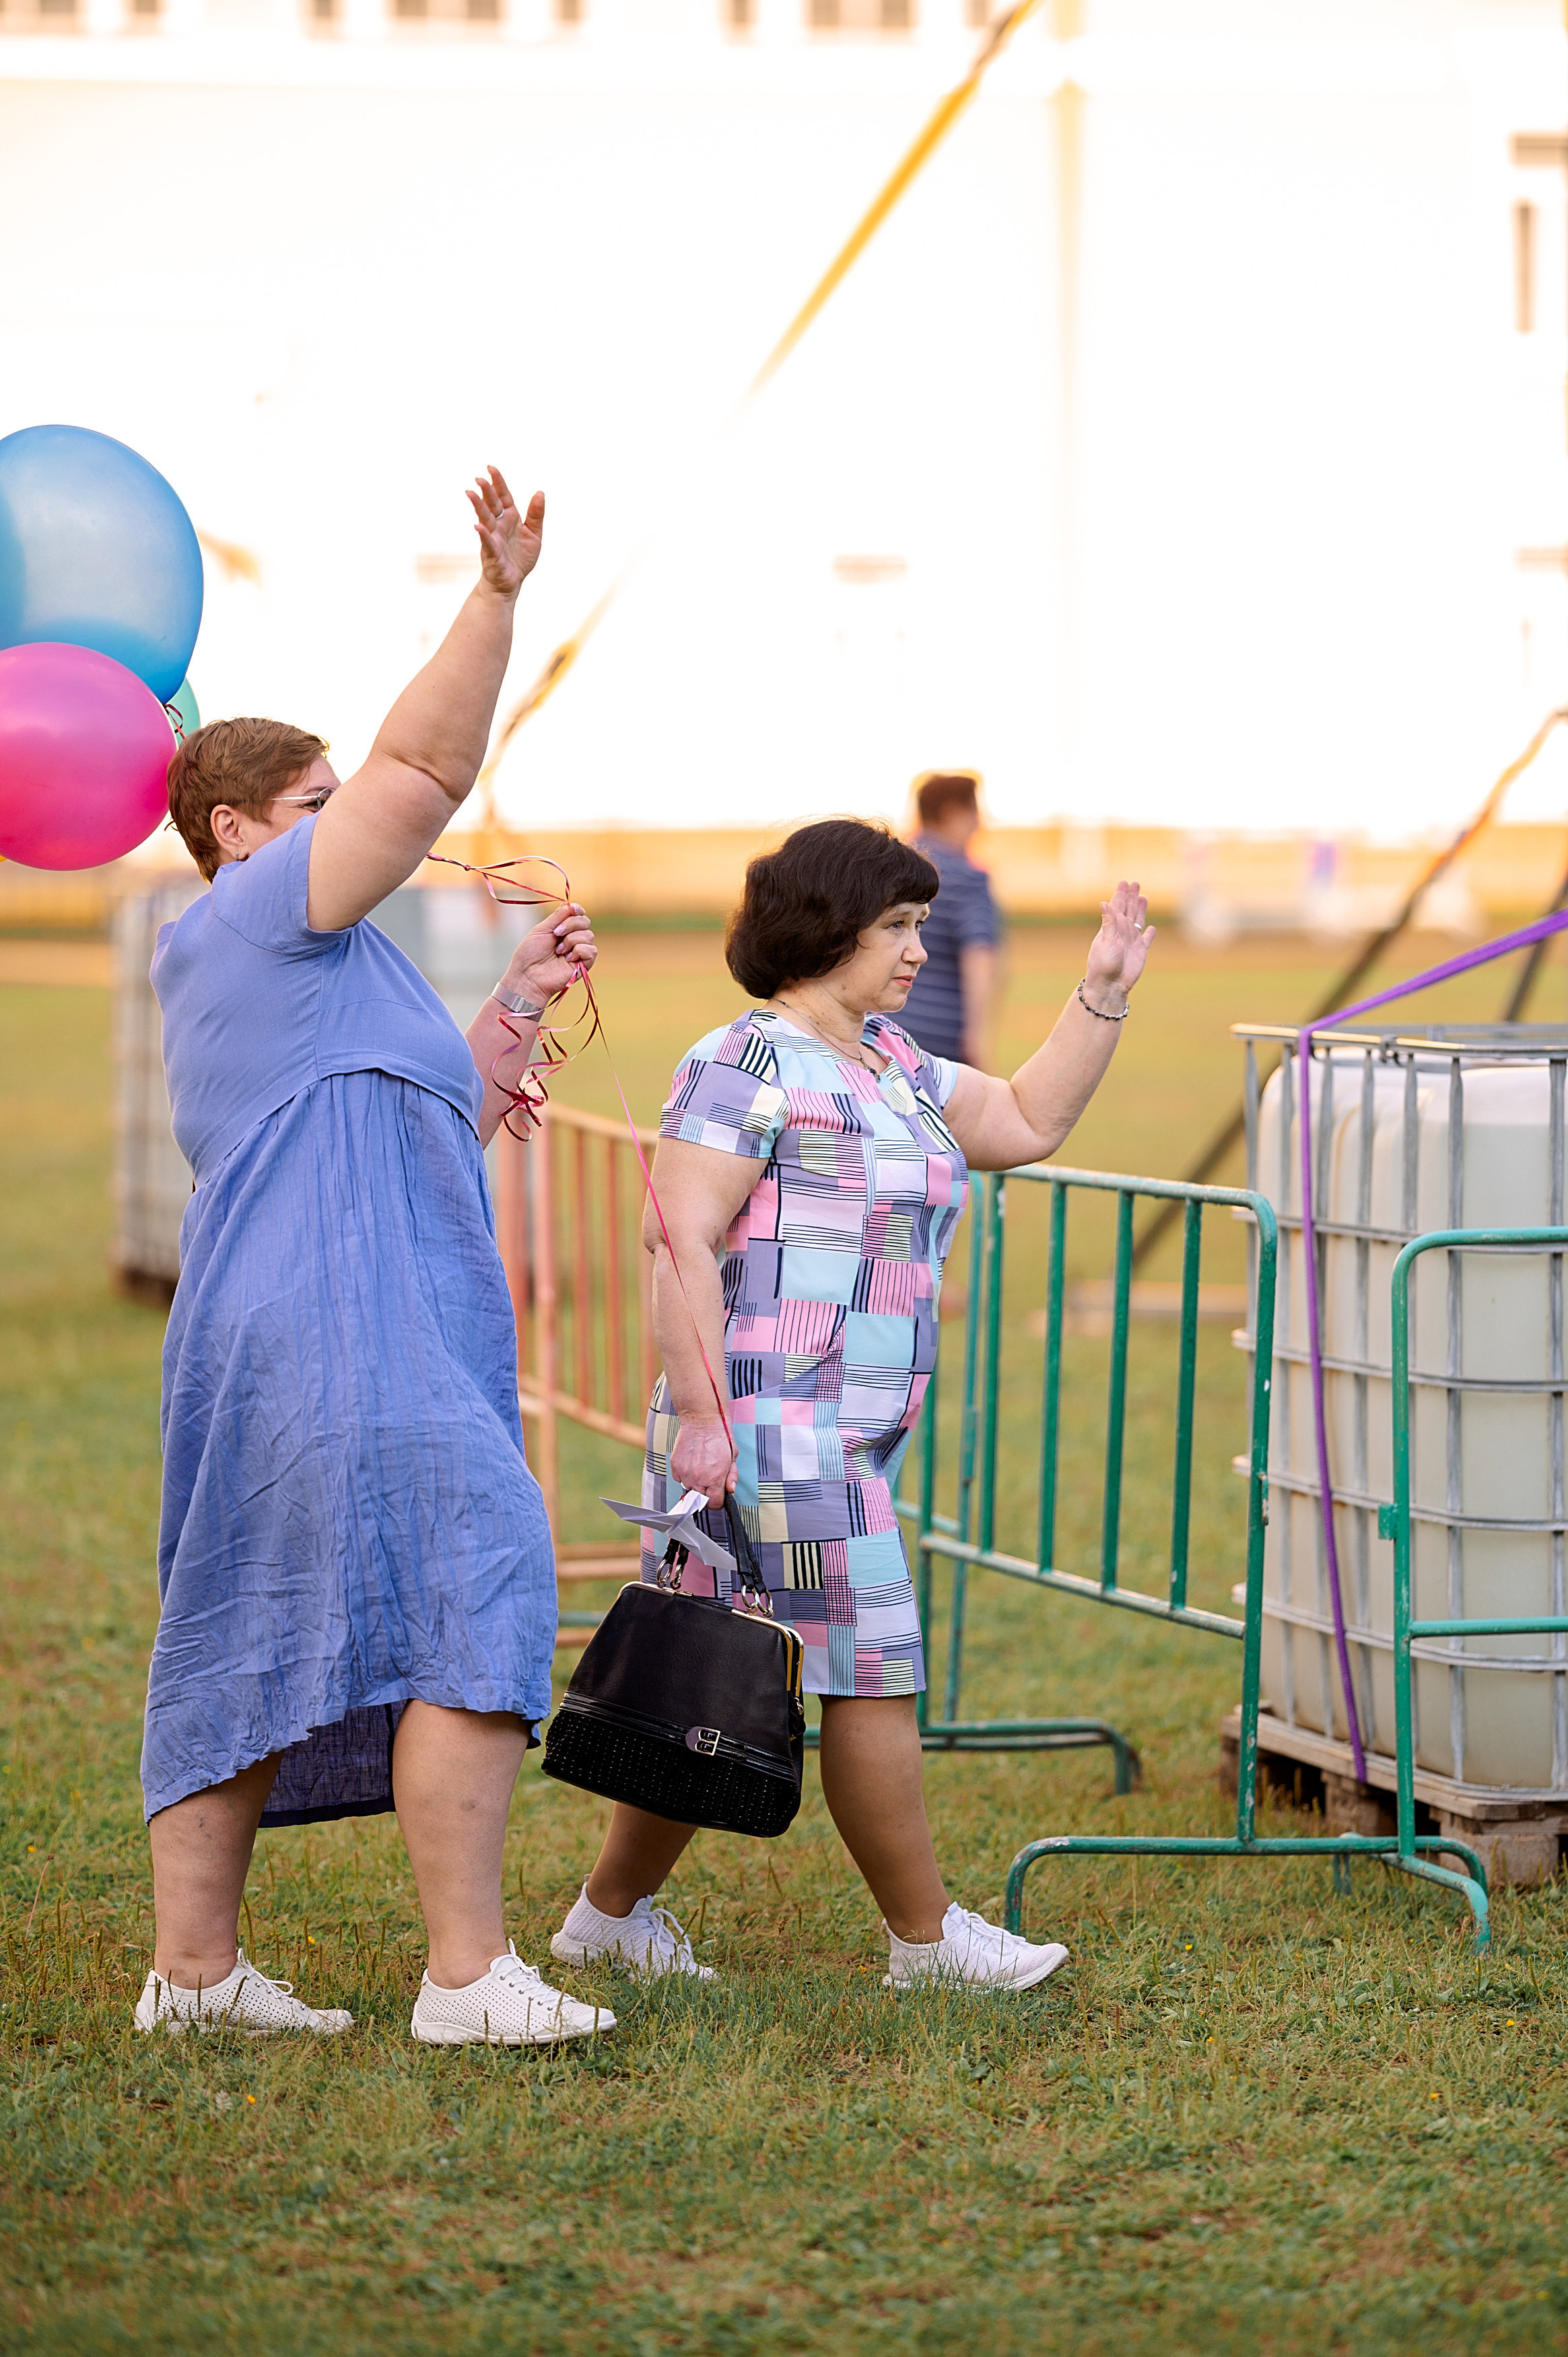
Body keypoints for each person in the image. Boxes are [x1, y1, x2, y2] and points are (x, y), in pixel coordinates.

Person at [139, 467, 612, 2047]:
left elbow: (414, 1122)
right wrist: (494, 596)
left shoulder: (314, 961)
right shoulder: (254, 920)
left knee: (249, 1611)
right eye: (313, 804)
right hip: (338, 1318)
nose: (347, 821)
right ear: (235, 834)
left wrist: (516, 1011)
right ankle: (468, 1978)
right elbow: (421, 770)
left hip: (314, 1311)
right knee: (478, 1566)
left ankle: (193, 1982)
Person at [549, 819, 1153, 1989]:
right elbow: (676, 1233)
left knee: (713, 1674)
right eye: (896, 926)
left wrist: (1099, 995)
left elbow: (1025, 1121)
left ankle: (607, 1914)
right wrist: (702, 1415)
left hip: (834, 1435)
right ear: (826, 926)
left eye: (922, 926)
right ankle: (923, 1941)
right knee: (870, 1668)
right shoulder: (747, 1060)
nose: (918, 949)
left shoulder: (890, 1063)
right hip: (771, 1425)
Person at [898, 770, 1001, 1071]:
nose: (979, 824)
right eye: (974, 813)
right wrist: (977, 1041)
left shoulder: (888, 869)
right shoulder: (968, 878)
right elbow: (979, 958)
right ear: (953, 813)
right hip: (938, 1042)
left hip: (877, 1030)